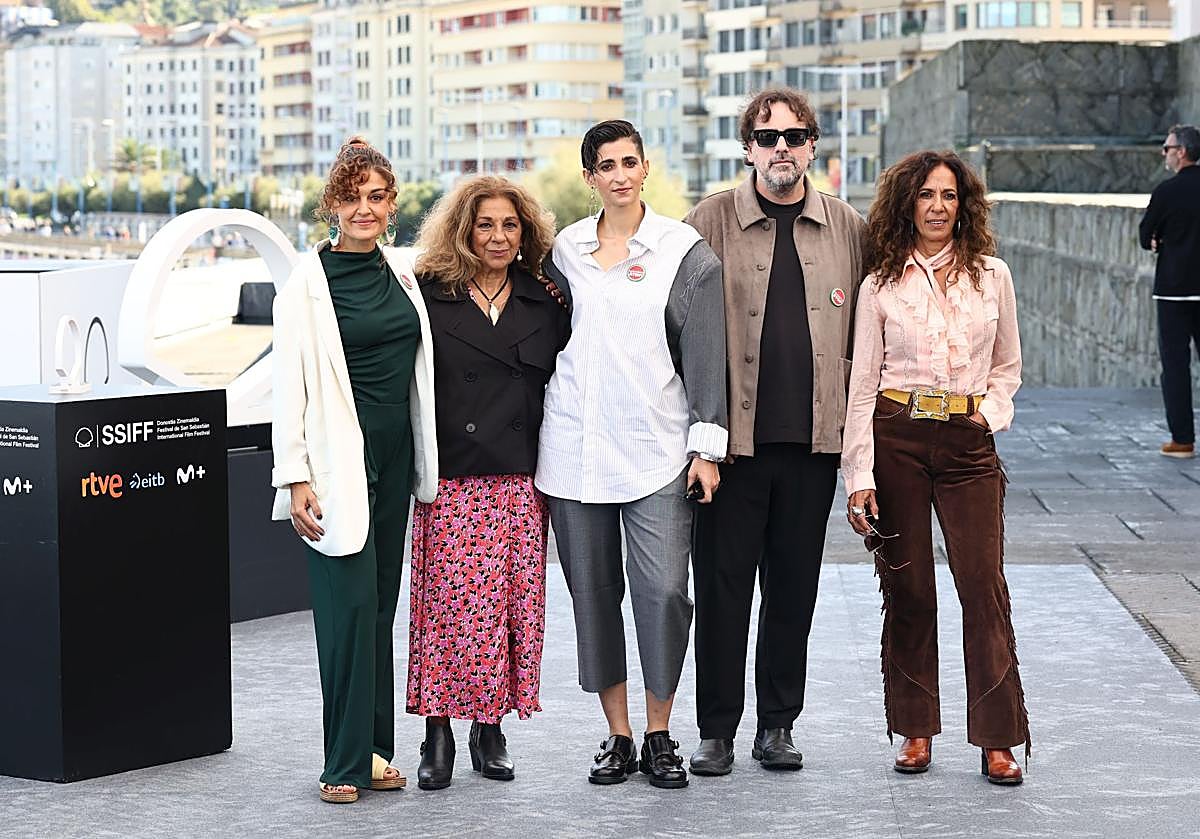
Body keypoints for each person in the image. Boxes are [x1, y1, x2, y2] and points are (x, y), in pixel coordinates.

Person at [536, 119, 727, 789]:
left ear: (646, 167)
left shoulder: (684, 251)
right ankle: (617, 735)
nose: (619, 174)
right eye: (605, 166)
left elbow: (707, 356)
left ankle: (659, 731)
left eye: (629, 162)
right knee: (592, 596)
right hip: (572, 451)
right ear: (590, 178)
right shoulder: (563, 251)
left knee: (666, 592)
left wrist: (707, 449)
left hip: (657, 449)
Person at [684, 87, 865, 776]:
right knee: (723, 590)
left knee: (794, 590)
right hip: (730, 448)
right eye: (767, 138)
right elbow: (672, 330)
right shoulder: (707, 222)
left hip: (813, 446)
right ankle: (716, 730)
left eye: (794, 136)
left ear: (813, 145)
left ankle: (778, 724)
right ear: (748, 148)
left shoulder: (848, 227)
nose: (780, 148)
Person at [842, 150, 1029, 785]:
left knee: (982, 586)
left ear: (964, 206)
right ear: (907, 205)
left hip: (967, 442)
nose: (938, 207)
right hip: (895, 437)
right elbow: (862, 388)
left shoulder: (992, 276)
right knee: (911, 587)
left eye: (949, 196)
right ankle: (915, 729)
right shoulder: (879, 285)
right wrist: (859, 477)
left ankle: (999, 739)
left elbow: (1007, 368)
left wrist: (989, 417)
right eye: (926, 195)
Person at [270, 137, 438, 804]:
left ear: (392, 205)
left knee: (380, 609)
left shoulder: (401, 273)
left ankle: (372, 751)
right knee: (348, 610)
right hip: (339, 462)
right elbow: (289, 387)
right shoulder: (305, 285)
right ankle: (339, 762)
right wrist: (295, 475)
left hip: (396, 461)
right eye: (351, 196)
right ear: (332, 205)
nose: (364, 208)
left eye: (376, 196)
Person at [406, 176, 568, 790]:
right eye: (485, 225)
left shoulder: (546, 299)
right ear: (462, 230)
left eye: (510, 226)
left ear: (525, 232)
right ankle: (438, 731)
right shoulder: (428, 294)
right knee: (446, 610)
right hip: (451, 477)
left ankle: (490, 726)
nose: (498, 237)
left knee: (507, 608)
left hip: (522, 480)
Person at [1139, 123, 1200, 458]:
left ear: (1181, 152)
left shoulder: (1167, 191)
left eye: (1167, 147)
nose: (1164, 153)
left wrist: (1157, 238)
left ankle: (1183, 440)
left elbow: (1146, 233)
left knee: (1176, 367)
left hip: (1175, 291)